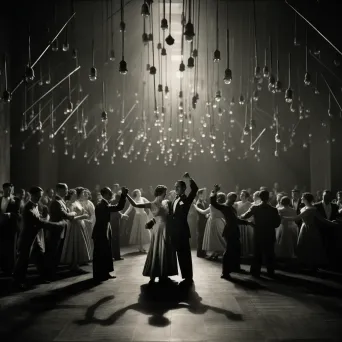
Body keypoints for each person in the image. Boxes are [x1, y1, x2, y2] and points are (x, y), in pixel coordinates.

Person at [12, 187, 66, 289]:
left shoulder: (35, 205)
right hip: (26, 238)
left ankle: (43, 277)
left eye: (40, 196)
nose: (39, 198)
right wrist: (58, 224)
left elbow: (39, 219)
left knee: (40, 257)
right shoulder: (28, 207)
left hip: (34, 237)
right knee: (23, 260)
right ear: (32, 195)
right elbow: (39, 222)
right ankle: (17, 282)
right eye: (37, 196)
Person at [127, 185, 178, 284]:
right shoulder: (151, 204)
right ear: (159, 193)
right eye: (164, 193)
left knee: (165, 250)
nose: (165, 195)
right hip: (158, 230)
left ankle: (165, 273)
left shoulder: (166, 202)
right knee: (158, 250)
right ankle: (155, 273)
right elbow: (136, 204)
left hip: (167, 229)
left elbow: (169, 215)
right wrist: (127, 196)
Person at [283, 192, 338, 272]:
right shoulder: (304, 208)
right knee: (304, 246)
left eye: (302, 198)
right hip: (304, 227)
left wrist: (283, 217)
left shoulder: (311, 209)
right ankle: (307, 264)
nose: (301, 198)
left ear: (306, 199)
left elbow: (297, 218)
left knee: (311, 246)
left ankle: (312, 266)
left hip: (310, 229)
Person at [210, 187, 251, 279]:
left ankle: (236, 268)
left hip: (234, 231)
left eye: (235, 198)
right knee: (228, 251)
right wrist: (215, 192)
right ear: (229, 198)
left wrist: (247, 223)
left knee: (237, 249)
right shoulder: (224, 207)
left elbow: (236, 220)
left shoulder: (231, 208)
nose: (235, 200)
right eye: (233, 198)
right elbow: (213, 202)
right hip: (229, 232)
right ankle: (225, 272)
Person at [241, 190, 281, 277]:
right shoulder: (274, 209)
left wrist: (251, 222)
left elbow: (244, 216)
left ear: (259, 197)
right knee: (270, 253)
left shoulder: (255, 208)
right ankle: (270, 272)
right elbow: (277, 224)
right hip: (269, 233)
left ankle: (255, 272)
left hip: (258, 232)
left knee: (257, 253)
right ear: (268, 198)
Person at [92, 186, 128, 282]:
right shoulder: (102, 205)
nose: (111, 194)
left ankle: (104, 274)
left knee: (104, 253)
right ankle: (100, 275)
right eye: (109, 193)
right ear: (104, 194)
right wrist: (123, 196)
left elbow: (117, 208)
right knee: (101, 254)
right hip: (101, 233)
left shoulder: (103, 204)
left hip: (102, 232)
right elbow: (118, 207)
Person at [45, 183, 76, 279]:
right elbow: (64, 215)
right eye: (65, 189)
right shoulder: (56, 202)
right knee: (53, 253)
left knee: (57, 253)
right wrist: (73, 213)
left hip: (60, 230)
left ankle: (52, 273)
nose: (67, 191)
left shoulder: (61, 201)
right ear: (59, 190)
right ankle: (49, 274)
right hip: (55, 231)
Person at [0, 183, 20, 275]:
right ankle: (3, 268)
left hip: (11, 227)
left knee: (11, 249)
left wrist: (10, 214)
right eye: (6, 190)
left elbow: (18, 214)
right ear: (3, 189)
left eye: (10, 190)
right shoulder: (0, 199)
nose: (8, 192)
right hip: (1, 227)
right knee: (2, 248)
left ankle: (11, 269)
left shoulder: (16, 200)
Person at [195, 188, 208, 258]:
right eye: (204, 193)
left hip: (203, 221)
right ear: (200, 194)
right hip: (200, 222)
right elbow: (203, 214)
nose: (206, 194)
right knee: (200, 237)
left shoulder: (204, 202)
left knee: (203, 237)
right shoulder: (199, 203)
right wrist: (208, 215)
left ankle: (203, 252)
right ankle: (200, 253)